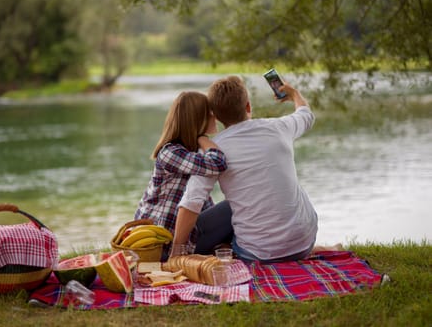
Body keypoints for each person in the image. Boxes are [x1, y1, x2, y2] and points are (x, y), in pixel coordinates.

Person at [171, 76, 322, 263]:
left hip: (255, 254)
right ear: (248, 107)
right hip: (303, 244)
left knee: (230, 211)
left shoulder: (214, 149)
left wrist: (176, 252)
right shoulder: (279, 127)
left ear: (216, 117)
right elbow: (306, 114)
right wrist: (294, 94)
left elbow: (191, 202)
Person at [134, 91, 227, 256]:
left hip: (179, 236)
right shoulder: (170, 152)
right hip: (161, 244)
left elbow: (199, 199)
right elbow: (218, 163)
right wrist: (205, 140)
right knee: (231, 208)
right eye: (210, 112)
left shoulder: (191, 154)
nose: (215, 116)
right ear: (198, 118)